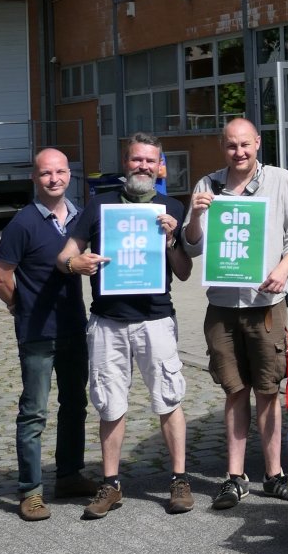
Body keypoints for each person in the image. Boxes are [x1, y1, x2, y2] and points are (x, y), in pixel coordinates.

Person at [56, 133, 194, 519]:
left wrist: (171, 240)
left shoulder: (172, 207)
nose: (143, 167)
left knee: (168, 398)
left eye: (150, 161)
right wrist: (74, 265)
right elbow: (65, 255)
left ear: (160, 165)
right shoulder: (100, 205)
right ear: (126, 162)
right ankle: (111, 483)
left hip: (155, 319)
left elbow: (184, 272)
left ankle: (179, 479)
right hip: (108, 322)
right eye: (137, 160)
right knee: (109, 403)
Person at [183, 118, 288, 509]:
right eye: (231, 146)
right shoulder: (208, 186)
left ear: (258, 143)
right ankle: (235, 478)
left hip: (266, 306)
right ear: (223, 147)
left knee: (268, 393)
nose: (239, 152)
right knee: (235, 391)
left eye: (245, 145)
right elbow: (191, 248)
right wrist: (196, 216)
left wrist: (282, 270)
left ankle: (274, 475)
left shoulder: (282, 180)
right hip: (222, 306)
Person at [0, 149, 96, 520]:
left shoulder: (81, 219)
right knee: (34, 413)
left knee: (74, 407)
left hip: (73, 327)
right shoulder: (22, 224)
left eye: (61, 171)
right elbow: (0, 277)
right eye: (46, 173)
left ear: (70, 175)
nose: (54, 178)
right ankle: (30, 491)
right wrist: (21, 306)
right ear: (35, 178)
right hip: (37, 333)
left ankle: (68, 476)